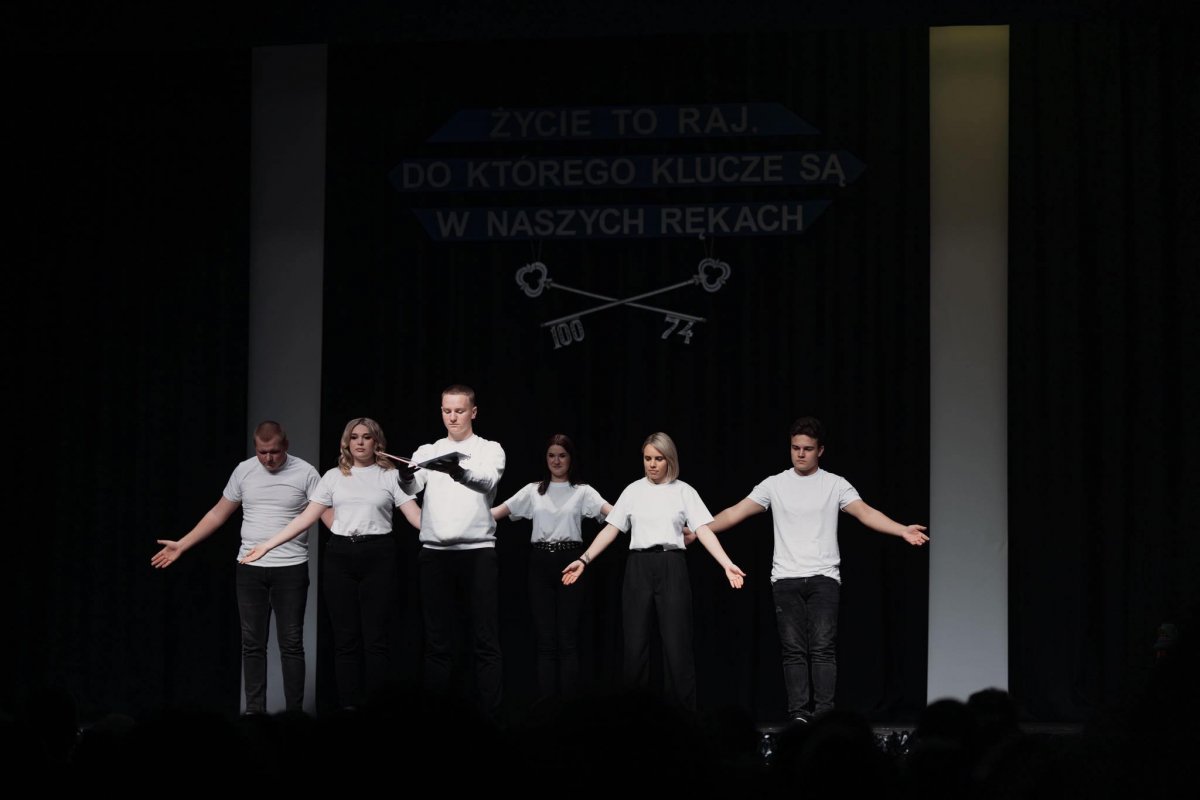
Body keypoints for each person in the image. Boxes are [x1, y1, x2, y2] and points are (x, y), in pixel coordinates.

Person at [708, 416, 929, 722]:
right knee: (793, 651)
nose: (800, 454)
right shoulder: (774, 484)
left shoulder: (835, 484)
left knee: (823, 648)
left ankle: (824, 715)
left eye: (808, 449)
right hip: (785, 578)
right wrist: (700, 530)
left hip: (824, 578)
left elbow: (865, 513)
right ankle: (799, 715)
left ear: (820, 450)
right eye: (795, 448)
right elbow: (735, 512)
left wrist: (901, 529)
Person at [241, 417, 421, 709]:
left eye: (366, 437)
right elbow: (305, 518)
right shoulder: (333, 477)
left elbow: (417, 519)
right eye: (354, 437)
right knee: (345, 639)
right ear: (346, 443)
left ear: (377, 442)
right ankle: (348, 709)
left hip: (379, 555)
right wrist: (267, 545)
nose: (360, 442)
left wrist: (458, 529)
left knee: (376, 639)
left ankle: (378, 710)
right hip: (340, 556)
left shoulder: (390, 476)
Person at [152, 420, 329, 714]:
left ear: (285, 445)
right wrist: (182, 544)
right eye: (262, 452)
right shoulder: (244, 471)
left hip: (290, 568)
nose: (268, 459)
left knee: (291, 643)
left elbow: (325, 514)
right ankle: (254, 713)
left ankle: (294, 716)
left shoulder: (306, 473)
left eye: (274, 452)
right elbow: (217, 514)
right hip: (249, 568)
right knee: (252, 644)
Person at [561, 432, 745, 711]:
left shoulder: (684, 491)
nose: (652, 464)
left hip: (672, 566)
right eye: (647, 458)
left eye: (658, 458)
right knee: (635, 647)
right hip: (638, 567)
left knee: (677, 646)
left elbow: (703, 530)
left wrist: (726, 563)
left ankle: (683, 718)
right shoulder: (633, 491)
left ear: (669, 459)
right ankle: (636, 716)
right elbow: (611, 529)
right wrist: (584, 559)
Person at [399, 384, 506, 720]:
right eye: (447, 411)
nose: (453, 417)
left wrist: (457, 471)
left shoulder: (489, 449)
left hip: (477, 552)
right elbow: (411, 487)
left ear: (473, 412)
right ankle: (435, 719)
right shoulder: (428, 450)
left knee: (485, 639)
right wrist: (404, 475)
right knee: (437, 641)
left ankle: (490, 719)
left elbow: (487, 482)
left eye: (459, 411)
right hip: (435, 553)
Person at [492, 434, 612, 703]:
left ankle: (567, 707)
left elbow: (615, 515)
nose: (556, 461)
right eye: (551, 455)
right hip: (540, 563)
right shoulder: (533, 490)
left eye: (562, 455)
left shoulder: (582, 491)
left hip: (571, 561)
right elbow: (496, 513)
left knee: (567, 639)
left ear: (571, 459)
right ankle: (546, 706)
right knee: (545, 640)